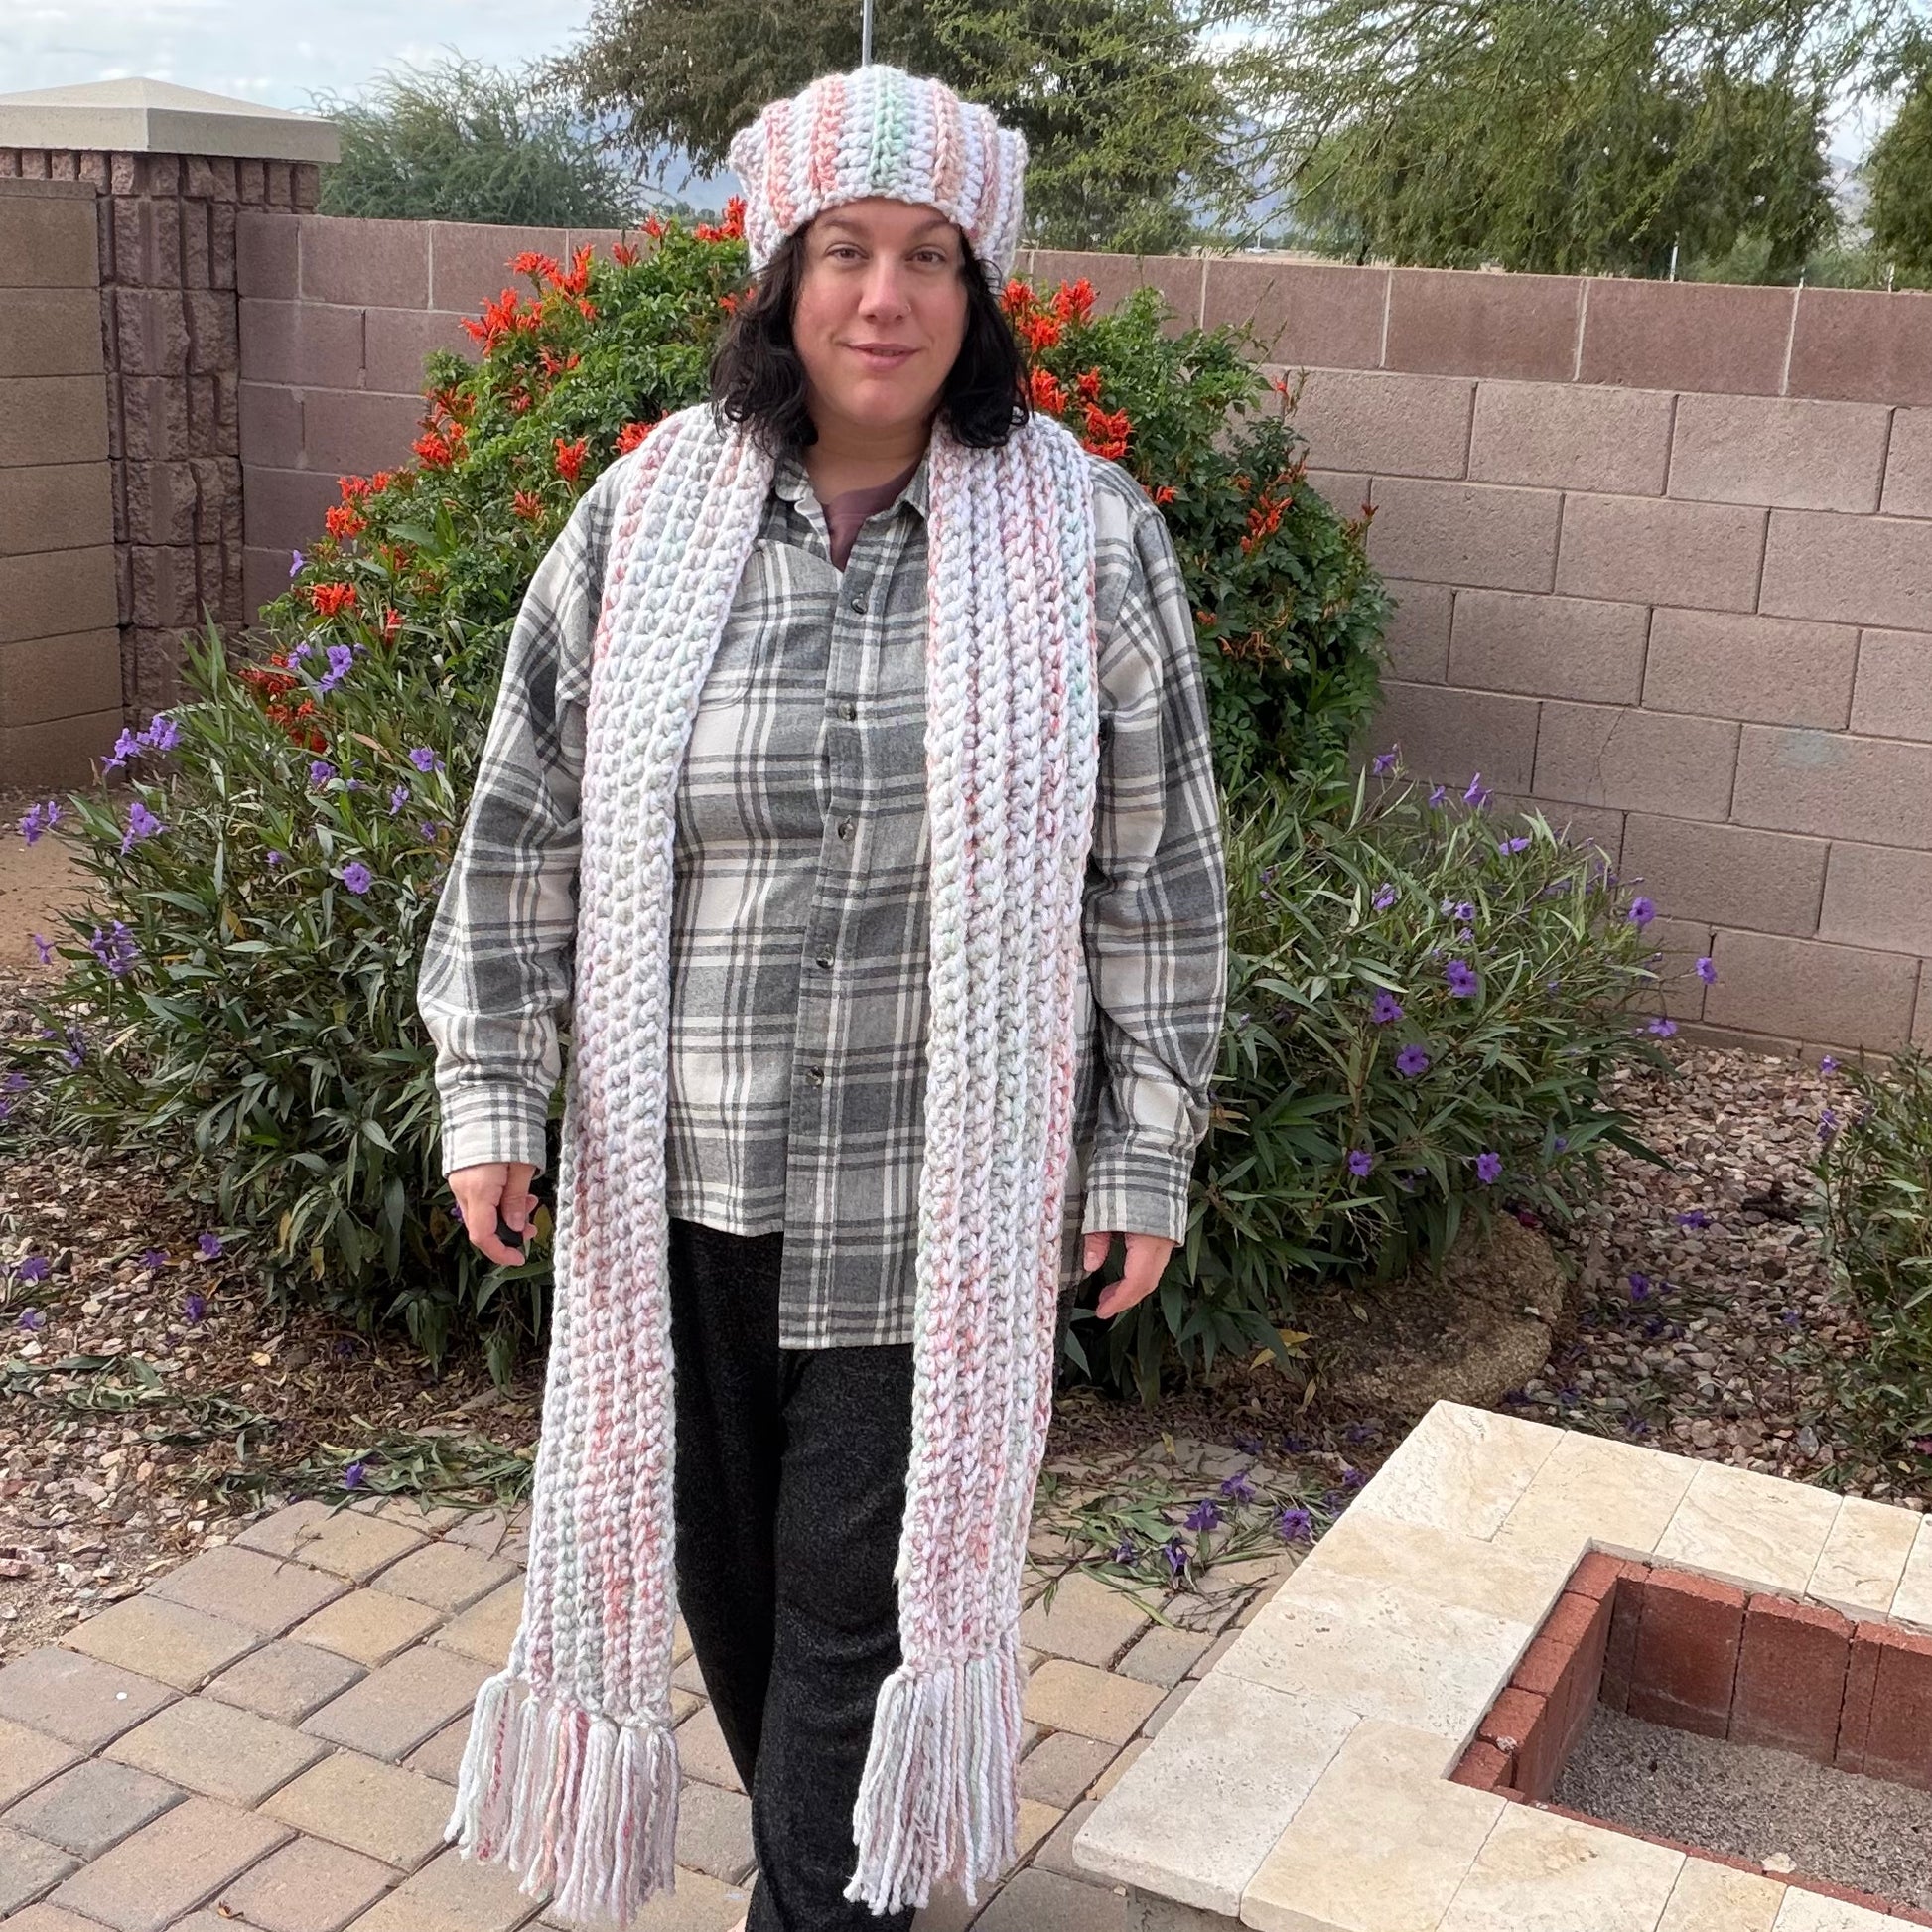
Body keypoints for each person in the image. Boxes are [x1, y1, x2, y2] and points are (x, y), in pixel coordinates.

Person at [416, 62, 1227, 1932]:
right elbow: (522, 827)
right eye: (845, 249)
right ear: (779, 278)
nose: (885, 295)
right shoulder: (643, 519)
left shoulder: (1086, 537)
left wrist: (1144, 1148)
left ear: (979, 287)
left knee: (849, 1625)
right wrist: (493, 1095)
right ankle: (841, 1871)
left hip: (929, 1205)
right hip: (676, 1187)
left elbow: (1160, 879)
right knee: (732, 1598)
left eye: (930, 254)